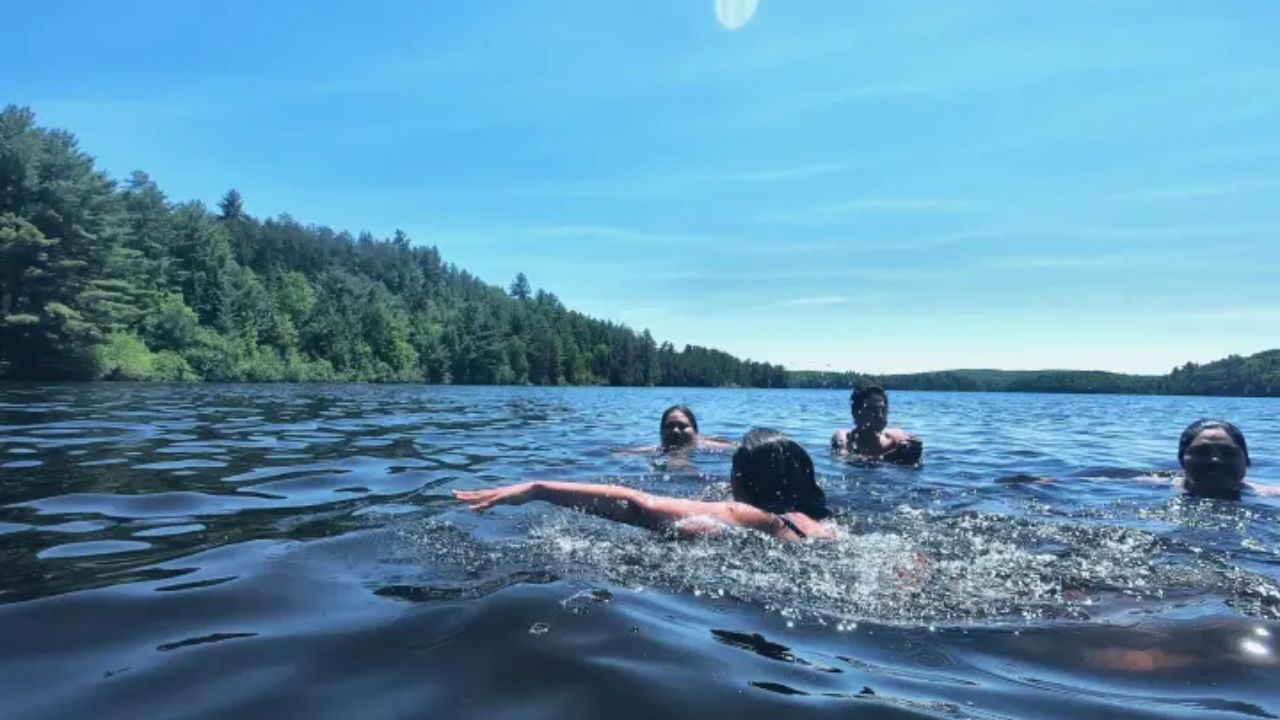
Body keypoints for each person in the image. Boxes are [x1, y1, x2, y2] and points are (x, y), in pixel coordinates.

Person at [455, 429, 836, 542]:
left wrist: (538, 487)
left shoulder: (756, 517)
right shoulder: (822, 525)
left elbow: (640, 504)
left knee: (694, 527)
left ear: (740, 478)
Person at [1176, 419, 1279, 498]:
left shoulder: (1271, 494)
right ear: (1181, 460)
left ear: (1247, 461)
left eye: (1228, 453)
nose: (1215, 460)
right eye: (1202, 452)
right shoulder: (1162, 485)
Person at [831, 384, 922, 465]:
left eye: (883, 409)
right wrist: (890, 457)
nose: (880, 415)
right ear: (855, 413)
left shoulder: (895, 438)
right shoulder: (845, 439)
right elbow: (843, 460)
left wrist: (912, 451)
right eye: (872, 409)